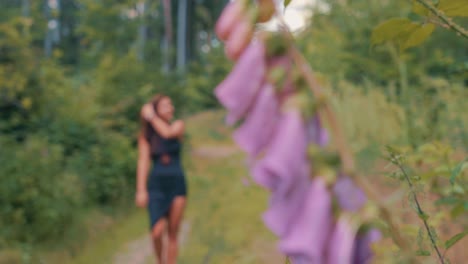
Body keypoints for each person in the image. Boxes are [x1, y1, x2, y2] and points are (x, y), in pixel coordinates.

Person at [136, 94, 187, 264]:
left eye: (171, 104)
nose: (171, 108)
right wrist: (141, 189)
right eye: (165, 105)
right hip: (156, 186)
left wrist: (151, 116)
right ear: (157, 109)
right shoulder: (146, 136)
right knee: (156, 231)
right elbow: (143, 162)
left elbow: (167, 133)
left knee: (173, 233)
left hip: (177, 184)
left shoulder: (178, 126)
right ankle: (160, 261)